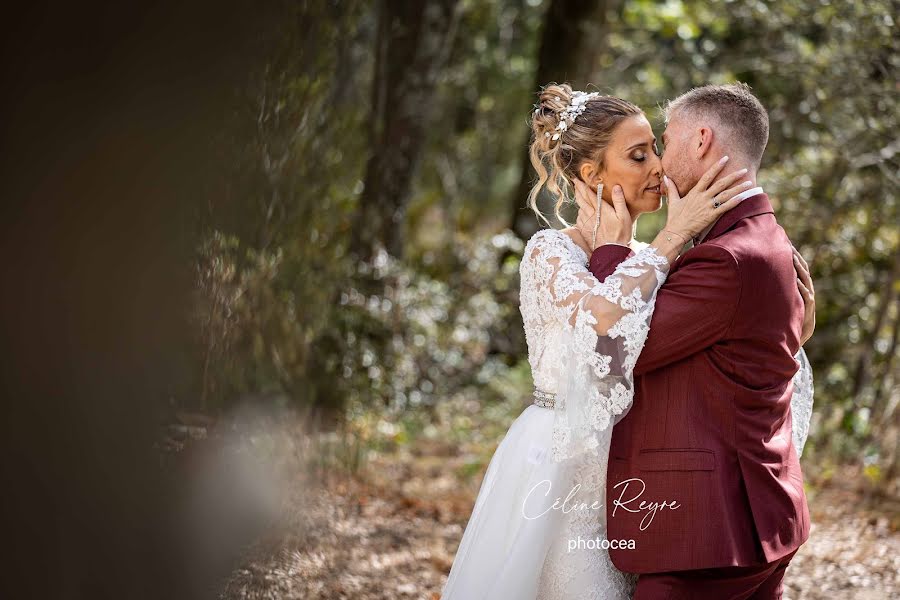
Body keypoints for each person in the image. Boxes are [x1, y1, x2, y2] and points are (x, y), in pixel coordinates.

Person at [441, 82, 815, 599]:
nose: (658, 167)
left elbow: (705, 348)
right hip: (564, 473)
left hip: (642, 489)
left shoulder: (651, 259)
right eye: (639, 155)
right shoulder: (550, 252)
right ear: (592, 175)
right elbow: (603, 346)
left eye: (657, 149)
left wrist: (794, 327)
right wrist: (668, 240)